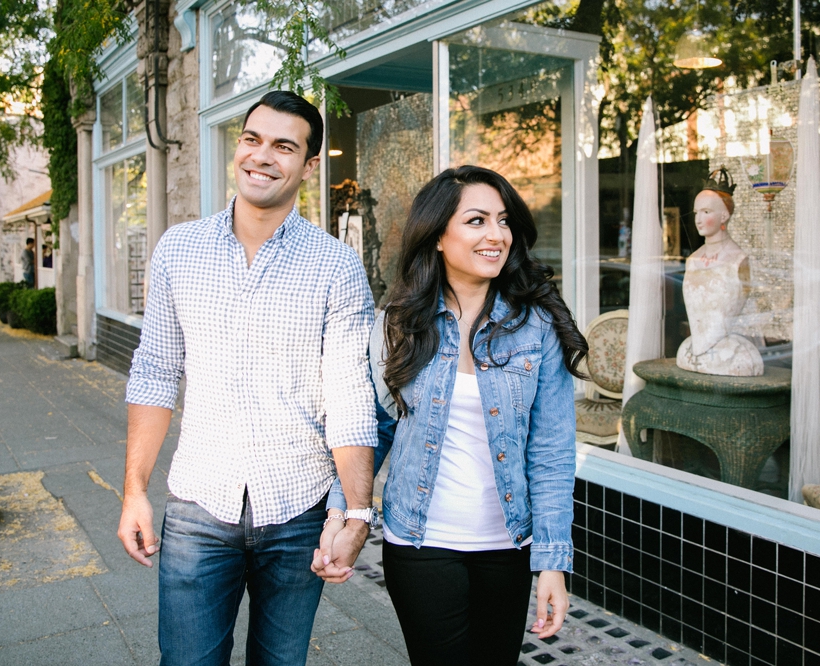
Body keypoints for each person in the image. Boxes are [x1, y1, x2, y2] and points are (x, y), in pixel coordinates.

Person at [119, 91, 378, 666]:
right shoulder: (177, 251)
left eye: (284, 146)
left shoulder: (336, 265)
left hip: (298, 507)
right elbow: (155, 371)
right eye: (253, 139)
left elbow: (350, 397)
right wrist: (134, 490)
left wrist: (355, 511)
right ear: (238, 147)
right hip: (197, 505)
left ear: (309, 166)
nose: (263, 156)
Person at [315, 165, 588, 665]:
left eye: (503, 221)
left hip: (508, 544)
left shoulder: (536, 326)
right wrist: (342, 513)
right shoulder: (399, 325)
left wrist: (552, 563)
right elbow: (371, 430)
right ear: (438, 235)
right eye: (477, 220)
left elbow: (551, 452)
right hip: (421, 543)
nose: (496, 235)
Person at [676, 167, 763, 376]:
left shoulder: (737, 260)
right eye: (696, 212)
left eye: (706, 212)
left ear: (724, 215)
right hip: (691, 353)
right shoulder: (693, 260)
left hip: (726, 355)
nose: (698, 219)